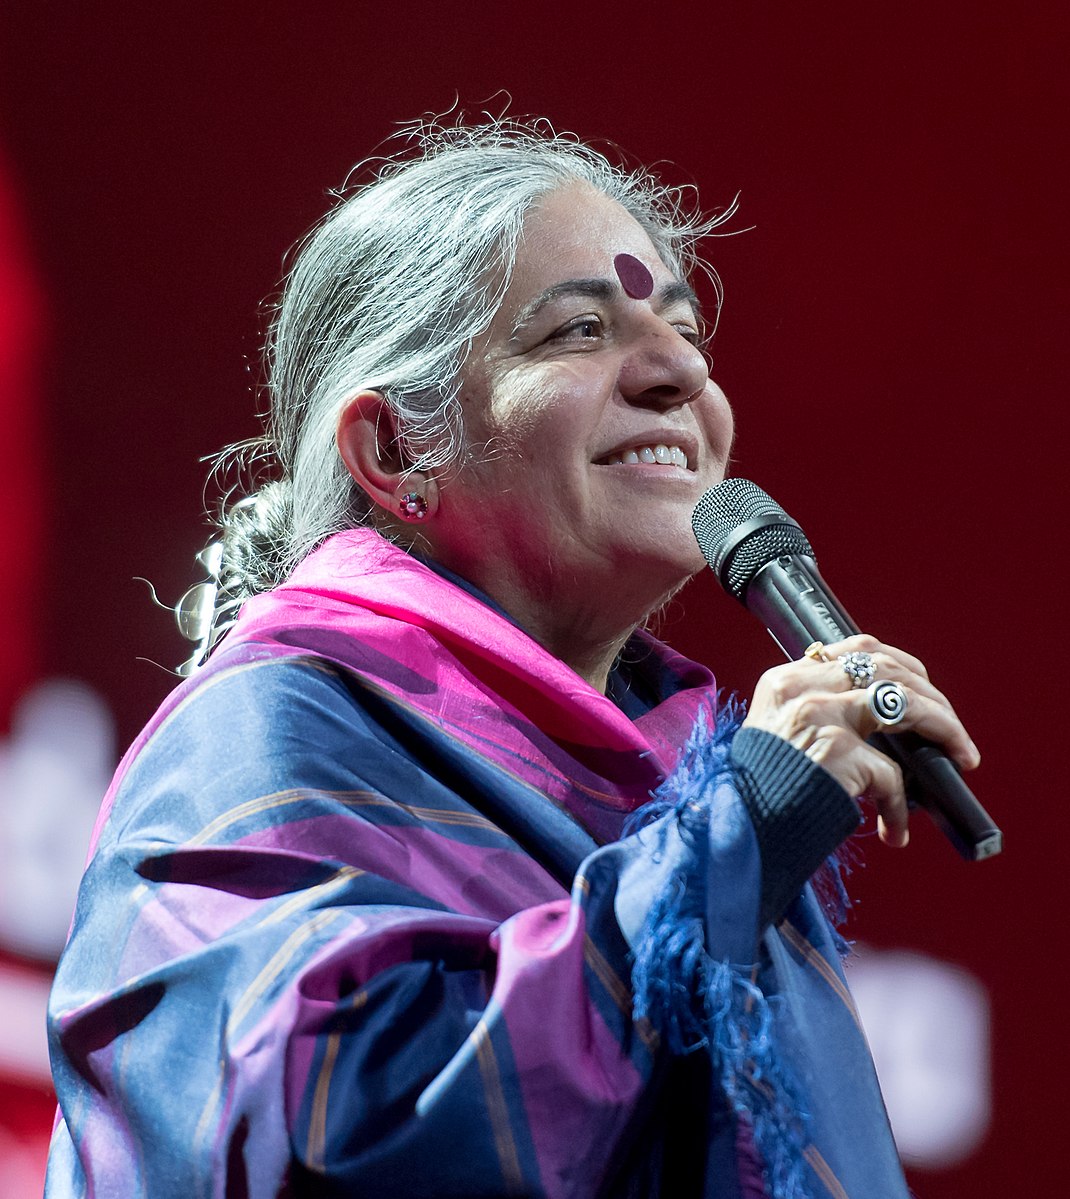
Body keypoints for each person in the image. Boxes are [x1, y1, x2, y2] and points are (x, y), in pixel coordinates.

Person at [44, 119, 979, 1198]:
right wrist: (736, 833)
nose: (679, 368)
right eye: (578, 330)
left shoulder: (691, 790)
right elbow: (322, 1138)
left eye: (683, 331)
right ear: (397, 449)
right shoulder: (261, 731)